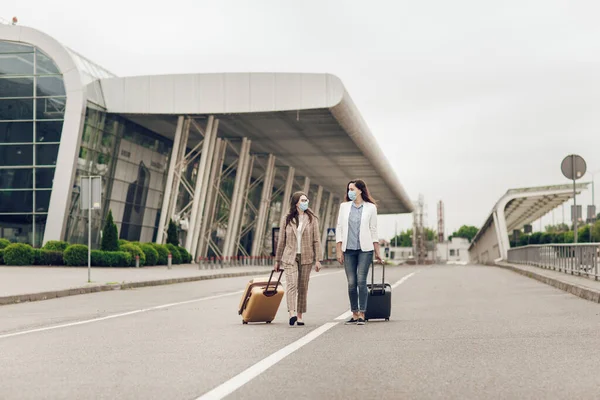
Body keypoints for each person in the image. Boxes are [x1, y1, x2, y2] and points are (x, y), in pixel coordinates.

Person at [336, 179, 383, 326]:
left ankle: (362, 313)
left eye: (352, 189)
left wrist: (377, 251)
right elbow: (339, 228)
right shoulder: (344, 207)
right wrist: (339, 250)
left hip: (365, 249)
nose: (349, 192)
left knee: (361, 281)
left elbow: (373, 230)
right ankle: (354, 314)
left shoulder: (371, 208)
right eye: (348, 189)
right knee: (351, 283)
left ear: (360, 190)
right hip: (348, 249)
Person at [274, 191, 323, 326]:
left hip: (306, 257)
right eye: (302, 200)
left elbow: (316, 241)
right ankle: (292, 313)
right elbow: (281, 241)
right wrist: (277, 260)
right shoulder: (287, 219)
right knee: (292, 284)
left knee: (302, 287)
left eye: (306, 200)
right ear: (296, 203)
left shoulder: (312, 219)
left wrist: (318, 259)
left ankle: (300, 316)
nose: (305, 202)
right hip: (290, 257)